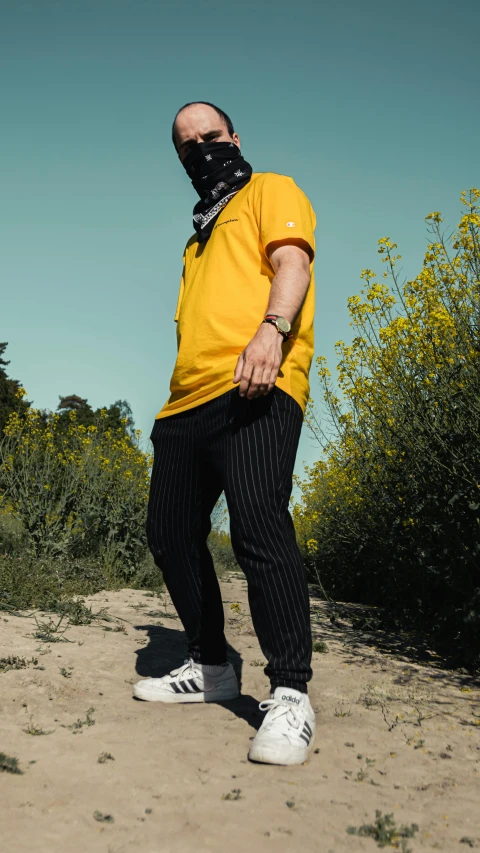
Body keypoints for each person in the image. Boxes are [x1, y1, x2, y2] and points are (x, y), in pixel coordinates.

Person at [133, 101, 316, 766]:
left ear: (235, 137)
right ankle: (212, 665)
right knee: (169, 532)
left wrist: (273, 328)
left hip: (259, 381)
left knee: (258, 523)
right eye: (187, 146)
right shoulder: (196, 237)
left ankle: (291, 692)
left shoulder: (271, 189)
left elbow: (292, 261)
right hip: (187, 401)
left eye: (209, 137)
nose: (200, 149)